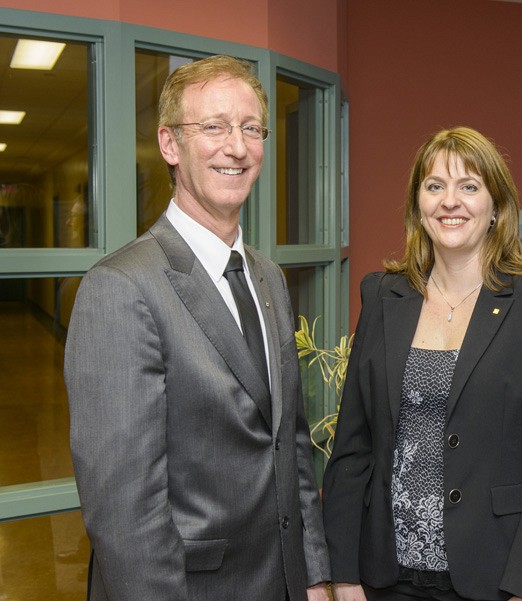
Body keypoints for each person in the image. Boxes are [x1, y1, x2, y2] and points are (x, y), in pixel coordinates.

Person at [65, 55, 329, 601]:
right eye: (213, 127)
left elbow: (290, 446)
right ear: (169, 145)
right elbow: (125, 515)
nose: (236, 147)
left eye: (251, 128)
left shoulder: (269, 278)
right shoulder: (120, 289)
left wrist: (315, 574)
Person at [322, 126, 522, 601]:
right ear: (417, 205)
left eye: (469, 186)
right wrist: (342, 573)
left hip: (497, 576)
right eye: (435, 186)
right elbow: (352, 449)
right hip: (383, 575)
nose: (450, 201)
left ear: (496, 206)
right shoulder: (383, 295)